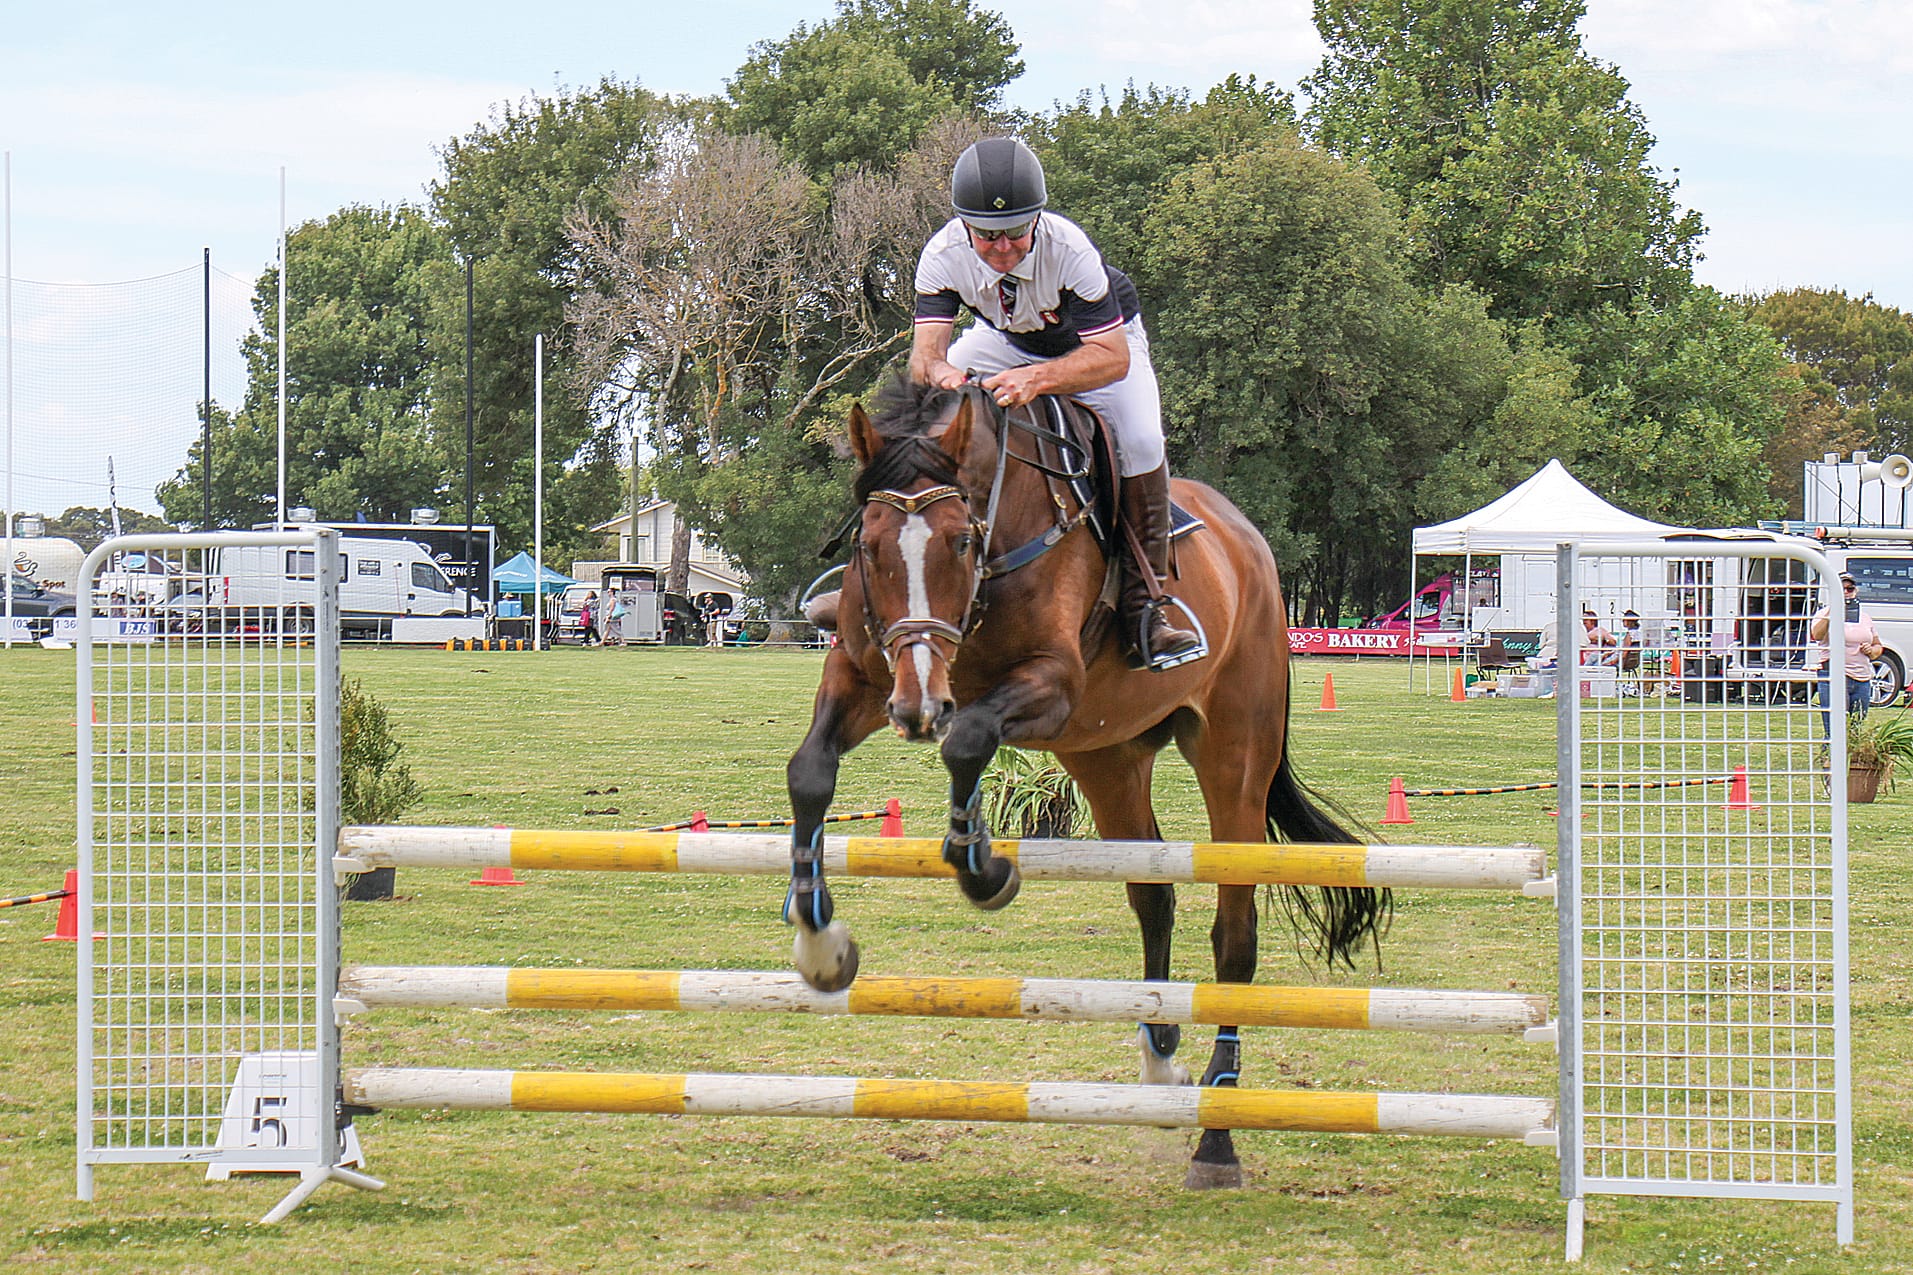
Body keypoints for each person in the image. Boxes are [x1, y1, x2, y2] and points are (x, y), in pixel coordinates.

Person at [908, 137, 1201, 669]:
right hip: (1006, 340)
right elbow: (924, 358)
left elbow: (1111, 359)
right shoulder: (942, 255)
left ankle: (1147, 606)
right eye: (988, 235)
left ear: (1037, 219)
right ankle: (879, 581)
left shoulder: (1069, 250)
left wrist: (1036, 380)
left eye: (1017, 232)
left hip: (1098, 348)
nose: (1003, 248)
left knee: (1139, 439)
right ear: (964, 225)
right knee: (919, 414)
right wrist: (945, 375)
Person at [1810, 572, 1882, 733]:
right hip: (1834, 676)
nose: (1846, 592)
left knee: (1855, 729)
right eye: (1841, 589)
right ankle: (1828, 758)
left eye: (1850, 589)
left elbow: (1878, 646)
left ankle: (1852, 758)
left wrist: (1871, 651)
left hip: (1862, 679)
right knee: (1834, 730)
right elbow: (1817, 635)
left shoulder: (1864, 617)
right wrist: (1833, 612)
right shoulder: (1823, 614)